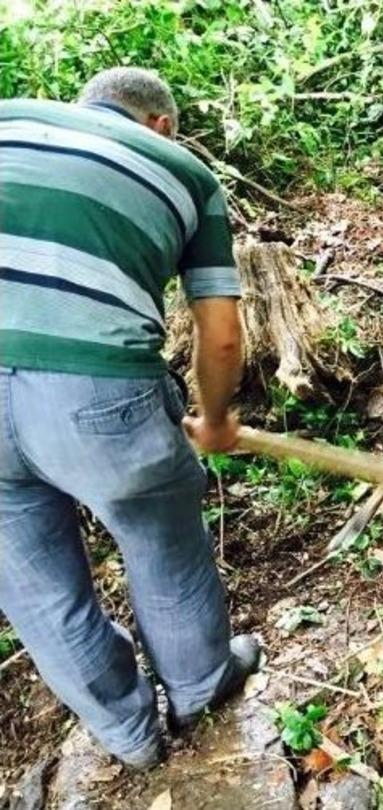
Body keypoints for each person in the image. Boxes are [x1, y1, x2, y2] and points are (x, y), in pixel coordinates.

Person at [0, 67, 259, 770]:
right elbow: (221, 335)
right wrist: (214, 418)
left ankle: (128, 735)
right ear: (161, 125)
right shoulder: (183, 170)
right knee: (162, 540)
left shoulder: (10, 119)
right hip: (97, 391)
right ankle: (200, 688)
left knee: (37, 590)